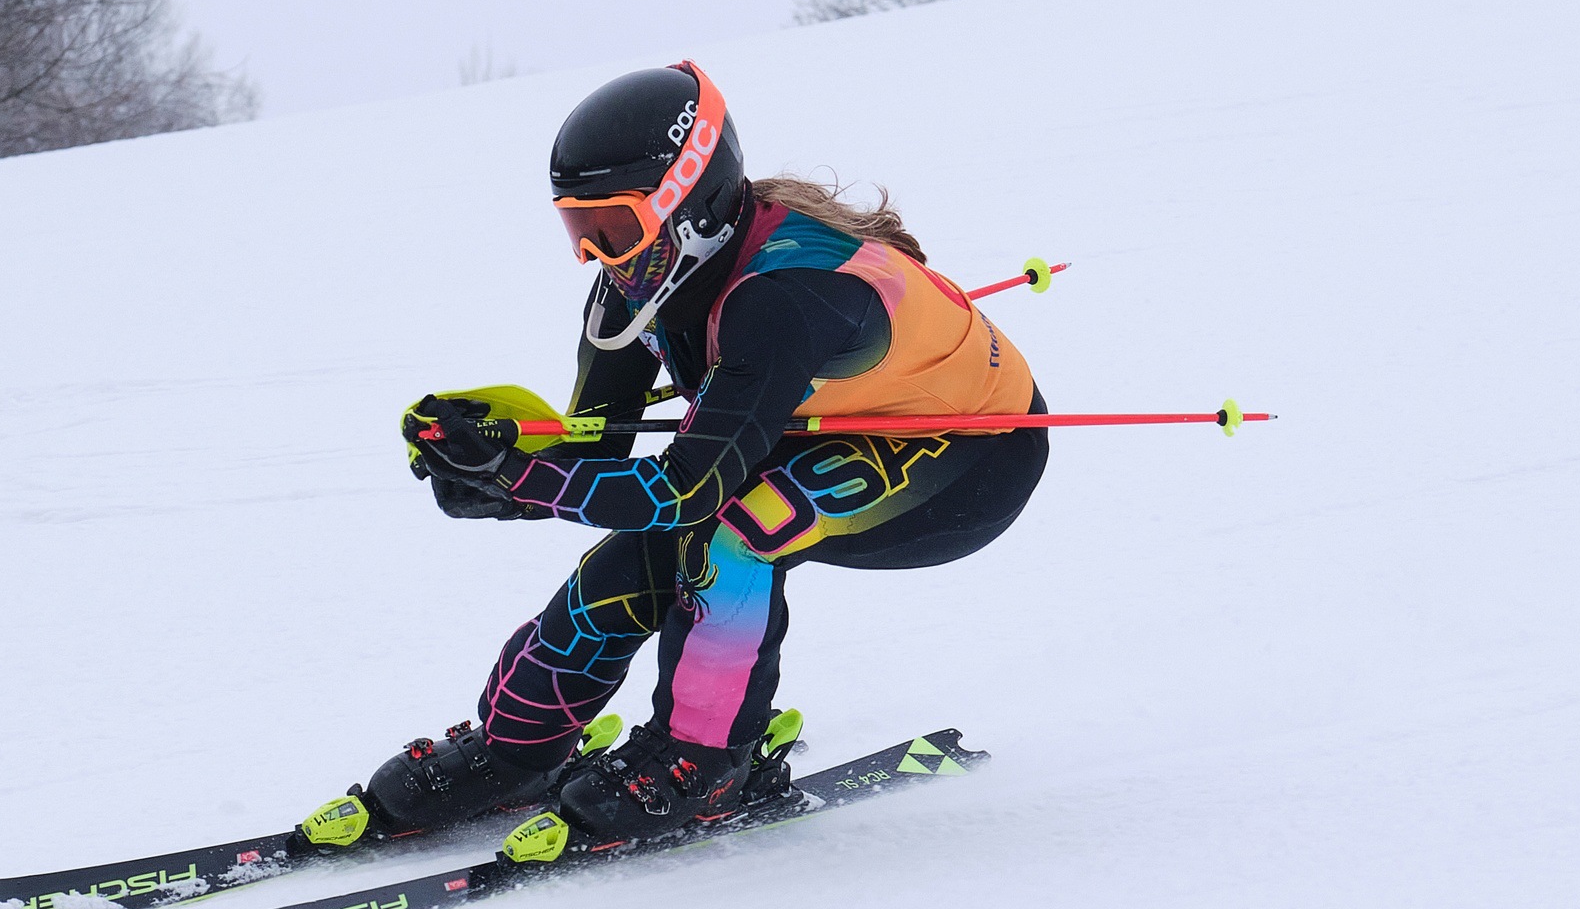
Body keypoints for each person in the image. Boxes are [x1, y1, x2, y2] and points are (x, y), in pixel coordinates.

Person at [337, 60, 1049, 848]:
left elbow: (684, 488)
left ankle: (703, 764)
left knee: (734, 536)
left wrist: (525, 479)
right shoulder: (635, 281)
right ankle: (515, 746)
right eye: (580, 230)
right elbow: (598, 453)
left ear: (691, 203)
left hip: (972, 450)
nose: (599, 255)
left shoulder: (779, 297)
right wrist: (491, 459)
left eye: (614, 226)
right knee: (640, 555)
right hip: (823, 415)